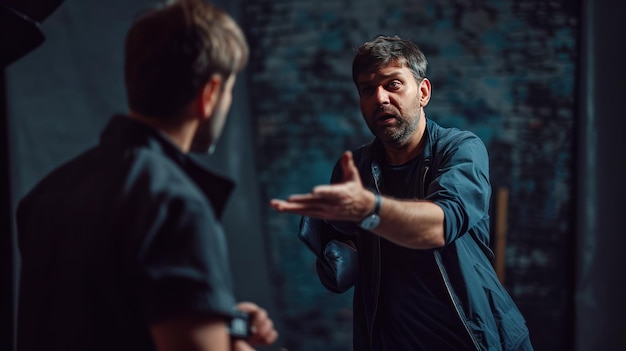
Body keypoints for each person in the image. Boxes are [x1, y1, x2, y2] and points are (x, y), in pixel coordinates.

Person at [16, 1, 278, 350]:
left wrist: (210, 315)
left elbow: (100, 319)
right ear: (210, 94)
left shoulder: (44, 194)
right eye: (228, 90)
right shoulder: (176, 205)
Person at [271, 35, 533, 350]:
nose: (380, 98)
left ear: (422, 92)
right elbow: (338, 277)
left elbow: (440, 226)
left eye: (392, 84)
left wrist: (368, 210)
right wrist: (331, 243)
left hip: (474, 340)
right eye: (368, 89)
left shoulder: (460, 149)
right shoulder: (353, 169)